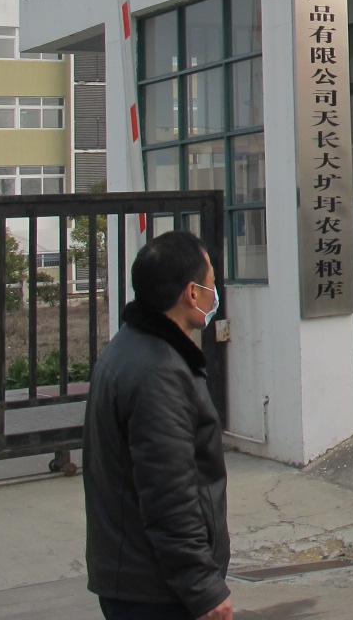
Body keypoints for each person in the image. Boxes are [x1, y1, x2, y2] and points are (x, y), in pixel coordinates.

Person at [83, 229, 232, 620]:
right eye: (211, 282)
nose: (215, 293)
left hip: (133, 576)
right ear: (192, 293)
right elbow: (170, 494)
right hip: (156, 591)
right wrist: (203, 587)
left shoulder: (130, 347)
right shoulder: (160, 373)